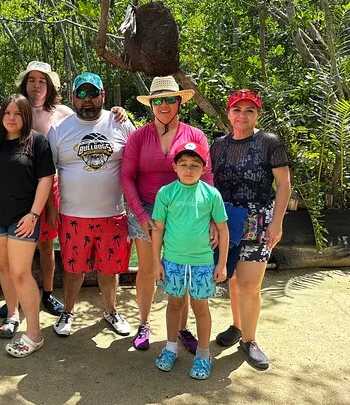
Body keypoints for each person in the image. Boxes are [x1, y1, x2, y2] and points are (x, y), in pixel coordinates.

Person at [0, 61, 125, 317]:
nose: (36, 85)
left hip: (47, 186)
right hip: (16, 188)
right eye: (32, 80)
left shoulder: (62, 112)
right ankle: (15, 298)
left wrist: (119, 112)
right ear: (25, 84)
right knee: (15, 248)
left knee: (46, 246)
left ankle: (48, 293)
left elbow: (92, 121)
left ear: (49, 86)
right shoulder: (13, 108)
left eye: (42, 81)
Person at [121, 75, 216, 352]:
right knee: (147, 270)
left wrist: (211, 217)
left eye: (170, 99)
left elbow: (206, 176)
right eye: (158, 100)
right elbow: (126, 177)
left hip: (185, 213)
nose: (164, 105)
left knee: (182, 270)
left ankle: (181, 329)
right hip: (147, 210)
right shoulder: (139, 136)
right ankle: (144, 324)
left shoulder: (194, 135)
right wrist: (141, 215)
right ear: (151, 104)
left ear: (179, 102)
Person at [46, 72, 136, 337]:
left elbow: (136, 165)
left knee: (109, 270)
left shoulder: (120, 123)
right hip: (73, 215)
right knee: (73, 269)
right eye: (82, 93)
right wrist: (51, 209)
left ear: (103, 96)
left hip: (113, 214)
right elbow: (47, 174)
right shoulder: (59, 130)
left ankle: (111, 311)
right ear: (73, 97)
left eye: (93, 93)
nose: (88, 99)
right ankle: (68, 312)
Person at [211, 89, 291, 371]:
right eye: (237, 109)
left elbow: (284, 184)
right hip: (225, 220)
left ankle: (250, 339)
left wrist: (277, 222)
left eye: (249, 110)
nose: (242, 115)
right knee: (232, 278)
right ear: (228, 113)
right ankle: (237, 326)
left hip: (259, 220)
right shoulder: (218, 145)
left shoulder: (269, 142)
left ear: (258, 114)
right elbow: (210, 184)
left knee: (249, 283)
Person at [0, 93, 55, 357]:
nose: (11, 118)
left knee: (21, 273)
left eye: (17, 113)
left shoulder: (38, 142)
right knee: (5, 268)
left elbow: (45, 180)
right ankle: (12, 315)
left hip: (24, 219)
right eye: (7, 113)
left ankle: (35, 333)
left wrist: (34, 214)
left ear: (26, 116)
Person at [151, 142, 229, 380]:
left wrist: (221, 264)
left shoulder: (211, 194)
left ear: (204, 168)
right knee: (174, 304)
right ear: (174, 167)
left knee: (200, 307)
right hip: (173, 261)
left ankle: (203, 354)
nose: (188, 169)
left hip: (203, 263)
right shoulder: (166, 193)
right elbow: (158, 230)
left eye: (195, 165)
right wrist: (156, 262)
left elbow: (223, 230)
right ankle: (170, 348)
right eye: (183, 164)